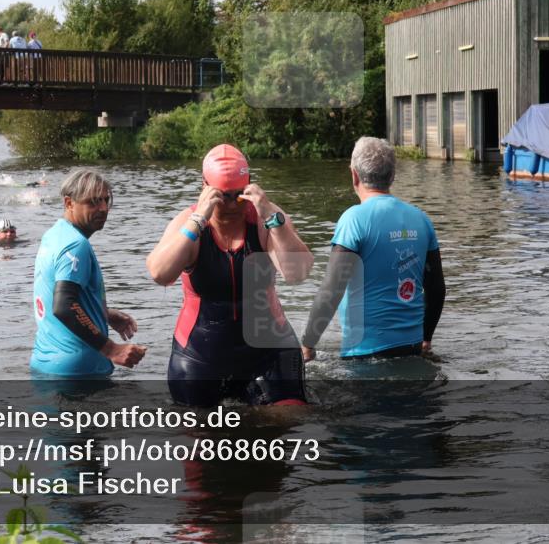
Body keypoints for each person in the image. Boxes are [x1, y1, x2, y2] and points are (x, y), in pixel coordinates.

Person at [146, 144, 313, 407]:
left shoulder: (266, 218)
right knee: (200, 438)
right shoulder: (188, 223)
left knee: (289, 422)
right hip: (201, 353)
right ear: (205, 187)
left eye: (238, 195)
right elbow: (159, 273)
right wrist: (198, 221)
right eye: (223, 196)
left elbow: (297, 273)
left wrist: (274, 221)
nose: (232, 204)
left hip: (267, 350)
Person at [300, 137, 446, 362]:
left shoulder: (353, 220)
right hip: (412, 349)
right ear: (393, 176)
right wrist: (425, 339)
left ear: (354, 175)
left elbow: (331, 290)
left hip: (365, 354)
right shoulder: (421, 219)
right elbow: (436, 289)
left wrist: (308, 342)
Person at [32, 169, 146, 376]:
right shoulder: (76, 245)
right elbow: (64, 306)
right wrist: (111, 349)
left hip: (46, 364)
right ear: (69, 203)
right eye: (93, 202)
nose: (103, 208)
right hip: (80, 371)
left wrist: (103, 314)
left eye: (105, 200)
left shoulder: (55, 235)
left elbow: (55, 298)